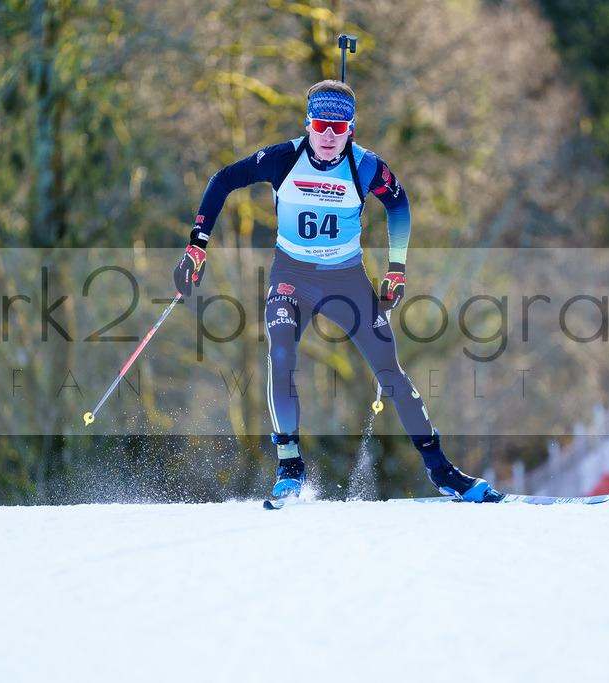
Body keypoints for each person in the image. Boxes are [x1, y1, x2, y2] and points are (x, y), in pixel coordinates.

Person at [174, 80, 500, 502]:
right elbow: (222, 181)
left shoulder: (365, 167)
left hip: (347, 279)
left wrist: (396, 268)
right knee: (280, 351)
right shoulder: (282, 159)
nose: (329, 135)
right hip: (292, 276)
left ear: (351, 128)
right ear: (308, 122)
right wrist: (196, 245)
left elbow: (398, 206)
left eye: (340, 126)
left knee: (391, 373)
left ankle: (442, 470)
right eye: (322, 123)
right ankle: (289, 464)